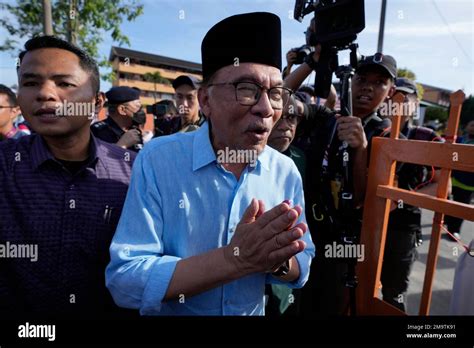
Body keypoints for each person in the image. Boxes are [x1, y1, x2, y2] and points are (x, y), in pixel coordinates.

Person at [106, 12, 315, 316]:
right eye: (246, 90)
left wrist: (277, 259)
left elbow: (304, 262)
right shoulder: (158, 160)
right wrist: (235, 259)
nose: (266, 109)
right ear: (206, 100)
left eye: (276, 93)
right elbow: (126, 280)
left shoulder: (285, 172)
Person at [0, 36, 136, 317]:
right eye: (30, 83)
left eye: (64, 83)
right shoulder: (4, 165)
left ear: (97, 102)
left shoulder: (133, 171)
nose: (45, 94)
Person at [286, 51, 397, 315]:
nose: (368, 86)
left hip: (344, 247)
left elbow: (362, 200)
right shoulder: (326, 118)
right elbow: (280, 97)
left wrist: (360, 149)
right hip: (304, 233)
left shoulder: (387, 134)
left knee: (329, 308)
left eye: (380, 82)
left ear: (390, 92)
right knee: (293, 306)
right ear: (349, 82)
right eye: (361, 78)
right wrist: (313, 60)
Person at [381, 77, 444, 312]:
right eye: (393, 94)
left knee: (394, 292)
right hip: (366, 222)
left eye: (405, 96)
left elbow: (442, 187)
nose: (397, 100)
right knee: (358, 283)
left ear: (416, 104)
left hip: (403, 226)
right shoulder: (373, 128)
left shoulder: (426, 136)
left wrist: (400, 199)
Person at [266, 94, 306, 316]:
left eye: (293, 117)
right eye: (279, 116)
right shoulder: (239, 157)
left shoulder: (301, 158)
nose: (285, 125)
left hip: (290, 271)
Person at [445, 119, 474, 240]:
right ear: (466, 126)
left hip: (469, 182)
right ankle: (447, 222)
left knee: (461, 207)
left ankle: (455, 230)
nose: (473, 128)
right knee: (448, 203)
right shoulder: (460, 140)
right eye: (472, 125)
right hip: (453, 179)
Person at [91, 86, 145, 151]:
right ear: (122, 110)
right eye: (137, 106)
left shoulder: (134, 130)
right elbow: (98, 160)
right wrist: (121, 146)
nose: (141, 110)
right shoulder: (97, 132)